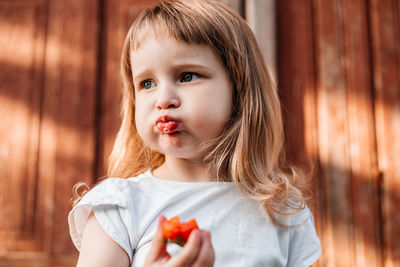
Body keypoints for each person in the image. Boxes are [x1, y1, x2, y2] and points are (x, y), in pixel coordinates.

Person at [68, 0, 321, 266]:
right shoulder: (121, 206)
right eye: (147, 83)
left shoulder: (282, 209)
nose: (163, 99)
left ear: (240, 89)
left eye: (187, 76)